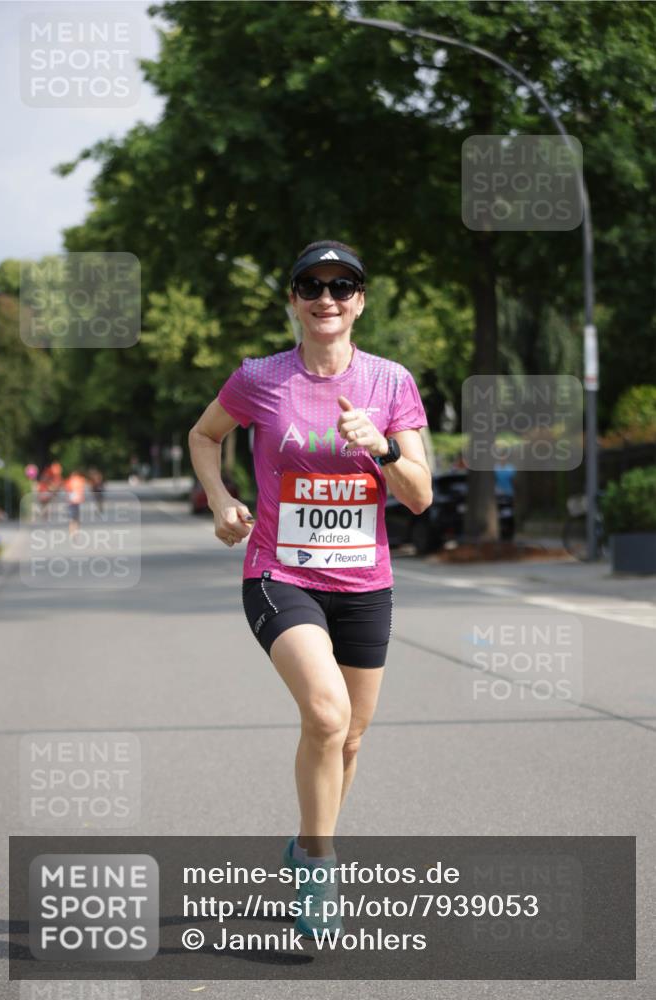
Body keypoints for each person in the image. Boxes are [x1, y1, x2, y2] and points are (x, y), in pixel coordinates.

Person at [189, 240, 432, 937]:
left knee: (349, 739)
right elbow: (205, 436)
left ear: (360, 301)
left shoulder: (390, 383)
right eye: (312, 285)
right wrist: (219, 499)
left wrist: (382, 446)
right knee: (326, 716)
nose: (327, 298)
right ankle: (321, 867)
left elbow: (418, 496)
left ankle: (304, 844)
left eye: (342, 286)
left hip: (364, 582)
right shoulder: (260, 377)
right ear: (294, 299)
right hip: (280, 572)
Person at [64, 469, 86, 535]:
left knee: (72, 517)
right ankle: (75, 530)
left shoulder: (69, 480)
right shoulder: (80, 480)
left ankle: (72, 530)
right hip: (76, 501)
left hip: (72, 501)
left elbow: (67, 490)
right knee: (76, 517)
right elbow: (81, 489)